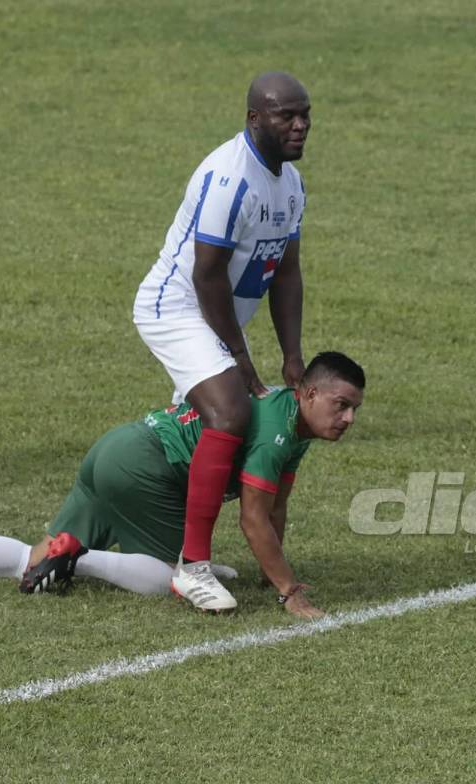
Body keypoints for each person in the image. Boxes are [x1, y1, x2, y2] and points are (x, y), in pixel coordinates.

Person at [0, 352, 364, 619]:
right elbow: (253, 518)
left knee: (34, 560)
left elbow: (274, 511)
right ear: (310, 393)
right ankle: (77, 557)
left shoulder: (289, 422)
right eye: (340, 405)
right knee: (180, 575)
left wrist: (271, 569)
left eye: (355, 409)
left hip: (118, 447)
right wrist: (287, 590)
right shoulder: (278, 434)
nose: (348, 418)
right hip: (149, 468)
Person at [132, 71, 312, 609]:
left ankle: (169, 545)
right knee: (231, 412)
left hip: (215, 314)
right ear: (254, 118)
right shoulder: (231, 179)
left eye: (305, 115)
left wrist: (293, 356)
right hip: (176, 306)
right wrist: (241, 360)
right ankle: (193, 566)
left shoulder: (290, 183)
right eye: (287, 116)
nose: (300, 125)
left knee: (208, 428)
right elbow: (206, 275)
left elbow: (286, 272)